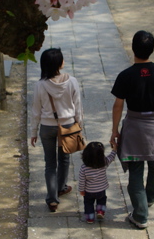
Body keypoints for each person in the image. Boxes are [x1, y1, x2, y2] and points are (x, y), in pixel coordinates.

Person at [110, 30, 154, 229]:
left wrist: (115, 131)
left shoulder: (125, 75)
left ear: (133, 48)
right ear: (152, 49)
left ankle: (140, 215)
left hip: (135, 127)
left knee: (135, 172)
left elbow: (118, 105)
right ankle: (150, 198)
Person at [30, 47, 83, 212]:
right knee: (64, 159)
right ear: (60, 63)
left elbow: (35, 111)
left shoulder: (40, 85)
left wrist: (33, 132)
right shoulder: (72, 81)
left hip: (47, 126)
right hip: (67, 125)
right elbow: (78, 107)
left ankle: (52, 199)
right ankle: (61, 187)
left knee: (50, 163)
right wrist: (79, 125)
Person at [79, 141, 117, 223]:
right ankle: (100, 211)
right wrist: (114, 149)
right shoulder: (104, 162)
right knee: (102, 200)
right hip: (101, 189)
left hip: (89, 191)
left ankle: (90, 217)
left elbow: (82, 180)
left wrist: (81, 190)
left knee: (88, 203)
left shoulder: (84, 168)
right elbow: (111, 157)